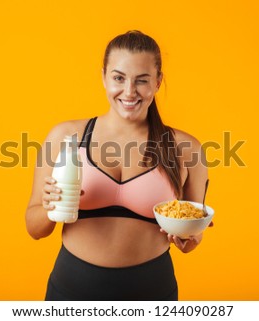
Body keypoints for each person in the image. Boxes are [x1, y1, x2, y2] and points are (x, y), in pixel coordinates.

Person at [25, 30, 209, 301]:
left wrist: (190, 238)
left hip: (152, 292)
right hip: (71, 290)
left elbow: (193, 234)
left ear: (158, 82)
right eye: (119, 78)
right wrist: (50, 207)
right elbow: (34, 227)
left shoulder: (187, 148)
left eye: (142, 80)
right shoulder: (65, 137)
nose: (129, 91)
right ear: (103, 77)